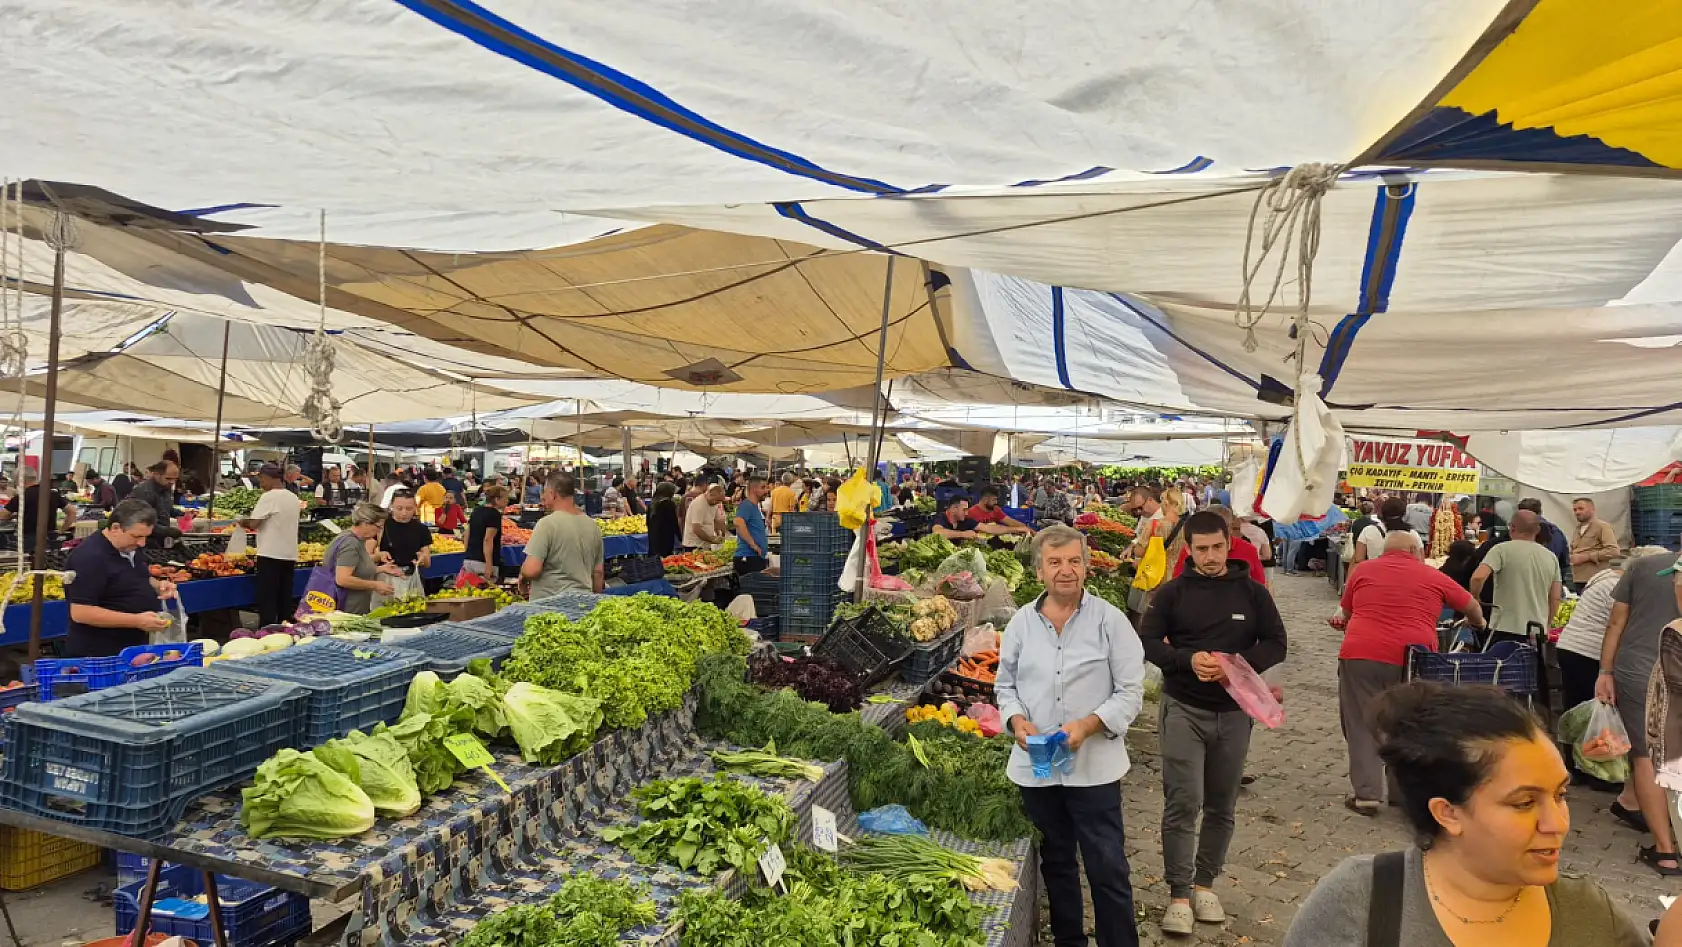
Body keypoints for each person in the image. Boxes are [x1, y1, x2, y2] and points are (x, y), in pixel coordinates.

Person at [1283, 682, 1648, 947]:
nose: (1557, 824)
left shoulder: (1589, 914)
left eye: (1561, 794)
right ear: (1448, 813)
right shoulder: (1363, 902)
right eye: (1523, 803)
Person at [997, 525, 1146, 947]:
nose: (1066, 571)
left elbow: (1130, 691)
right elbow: (1004, 686)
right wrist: (1015, 721)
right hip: (1038, 768)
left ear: (1086, 567)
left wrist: (1089, 724)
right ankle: (1069, 940)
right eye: (1055, 562)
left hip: (1094, 769)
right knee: (1057, 863)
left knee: (1107, 867)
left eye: (1074, 561)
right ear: (1040, 570)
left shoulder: (1109, 622)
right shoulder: (1023, 624)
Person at [1139, 511, 1287, 935]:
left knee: (1222, 804)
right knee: (1184, 801)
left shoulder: (1254, 594)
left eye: (1217, 547)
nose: (1209, 556)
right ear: (1188, 549)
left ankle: (1206, 883)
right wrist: (1187, 660)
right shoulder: (1171, 594)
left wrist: (1235, 667)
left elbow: (1276, 642)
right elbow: (1147, 640)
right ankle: (1179, 895)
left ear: (1229, 544)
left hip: (1235, 713)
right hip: (1183, 707)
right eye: (1201, 549)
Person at [1336, 530, 1486, 814]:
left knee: (1361, 722)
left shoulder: (1364, 569)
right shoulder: (1432, 575)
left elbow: (1346, 611)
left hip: (1361, 654)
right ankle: (1402, 793)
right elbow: (1471, 606)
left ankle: (1367, 795)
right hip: (1413, 657)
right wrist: (1477, 623)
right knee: (1406, 723)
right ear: (1417, 551)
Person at [1596, 545, 1682, 876]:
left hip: (1641, 669)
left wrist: (1605, 671)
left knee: (1646, 755)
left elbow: (1616, 622)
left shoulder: (1643, 566)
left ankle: (1665, 851)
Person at [63, 499, 180, 657]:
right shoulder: (89, 558)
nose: (142, 543)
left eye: (146, 537)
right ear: (116, 528)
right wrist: (137, 620)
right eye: (137, 536)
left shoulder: (128, 547)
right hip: (101, 655)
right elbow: (81, 612)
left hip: (130, 649)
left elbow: (136, 576)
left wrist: (158, 585)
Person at [1555, 562, 1623, 791]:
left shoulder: (1602, 578)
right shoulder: (1618, 586)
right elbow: (1619, 623)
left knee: (1576, 708)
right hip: (1589, 651)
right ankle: (1593, 769)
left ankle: (1573, 766)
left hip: (1570, 646)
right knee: (1591, 713)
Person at [1471, 510, 1562, 646]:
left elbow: (1478, 577)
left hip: (1503, 627)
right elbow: (1555, 597)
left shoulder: (1501, 550)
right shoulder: (1551, 557)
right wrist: (1547, 623)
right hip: (1536, 630)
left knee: (1501, 666)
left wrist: (1475, 598)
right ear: (1537, 530)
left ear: (1512, 527)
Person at [519, 473, 605, 598]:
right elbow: (598, 572)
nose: (542, 497)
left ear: (553, 494)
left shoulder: (547, 524)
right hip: (583, 602)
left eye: (545, 492)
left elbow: (532, 570)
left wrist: (523, 574)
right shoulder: (593, 526)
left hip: (549, 606)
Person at [240, 464, 302, 627]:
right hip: (289, 554)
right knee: (284, 595)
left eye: (262, 479)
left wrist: (242, 521)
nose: (260, 483)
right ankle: (285, 627)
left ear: (271, 478)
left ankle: (267, 629)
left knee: (267, 597)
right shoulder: (293, 497)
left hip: (270, 553)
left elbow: (254, 524)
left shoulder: (269, 497)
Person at [327, 503, 401, 615]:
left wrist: (381, 569)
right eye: (379, 527)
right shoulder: (350, 544)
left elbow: (357, 567)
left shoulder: (356, 540)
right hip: (347, 612)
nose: (380, 531)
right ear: (366, 523)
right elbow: (342, 579)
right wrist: (375, 585)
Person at [1171, 505, 1266, 587]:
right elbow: (1177, 581)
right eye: (1203, 549)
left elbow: (1259, 583)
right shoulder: (1191, 549)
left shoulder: (1248, 549)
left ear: (1230, 527)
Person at [0, 467, 76, 552]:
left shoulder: (23, 497)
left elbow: (3, 515)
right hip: (50, 538)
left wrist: (12, 516)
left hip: (29, 540)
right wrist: (62, 531)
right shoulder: (52, 494)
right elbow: (72, 511)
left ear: (20, 480)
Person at [376, 491, 433, 601]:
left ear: (415, 507)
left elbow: (427, 562)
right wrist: (379, 556)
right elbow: (367, 558)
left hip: (412, 579)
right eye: (399, 508)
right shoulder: (380, 526)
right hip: (386, 581)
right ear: (391, 506)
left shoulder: (421, 529)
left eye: (409, 509)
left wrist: (422, 558)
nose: (404, 513)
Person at [1516, 497, 1572, 586]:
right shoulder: (1556, 531)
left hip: (1528, 582)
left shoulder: (1521, 531)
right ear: (1540, 512)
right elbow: (1564, 561)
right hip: (1553, 580)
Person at [1567, 497, 1619, 589]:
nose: (1577, 512)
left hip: (1596, 579)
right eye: (1575, 510)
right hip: (1578, 579)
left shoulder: (1602, 527)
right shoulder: (1577, 530)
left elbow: (1613, 551)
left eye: (1581, 509)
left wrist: (1587, 557)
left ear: (1592, 509)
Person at [127, 461, 180, 546]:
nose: (172, 482)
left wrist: (180, 514)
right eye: (168, 478)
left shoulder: (166, 487)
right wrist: (166, 531)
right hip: (145, 541)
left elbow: (165, 508)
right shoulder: (144, 491)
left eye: (175, 479)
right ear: (156, 474)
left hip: (160, 539)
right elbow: (140, 520)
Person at [1351, 497, 1415, 565]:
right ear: (1404, 514)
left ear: (1382, 512)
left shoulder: (1368, 530)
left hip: (1373, 572)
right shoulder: (1412, 534)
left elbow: (1358, 558)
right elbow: (1420, 562)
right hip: (1404, 574)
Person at [464, 484, 509, 578]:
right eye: (505, 498)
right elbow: (488, 540)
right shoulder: (494, 515)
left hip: (469, 560)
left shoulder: (476, 511)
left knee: (470, 591)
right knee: (487, 591)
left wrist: (467, 554)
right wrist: (489, 564)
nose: (507, 501)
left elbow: (467, 534)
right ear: (497, 499)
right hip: (483, 563)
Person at [732, 475, 770, 576]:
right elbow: (738, 522)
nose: (766, 490)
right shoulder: (746, 505)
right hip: (748, 557)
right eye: (763, 487)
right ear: (753, 489)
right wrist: (753, 545)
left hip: (754, 557)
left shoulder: (754, 507)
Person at [682, 482, 728, 550]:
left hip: (705, 544)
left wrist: (722, 535)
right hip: (694, 545)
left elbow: (718, 520)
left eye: (720, 501)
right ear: (710, 494)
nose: (718, 502)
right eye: (717, 500)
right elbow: (696, 529)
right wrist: (711, 540)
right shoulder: (699, 504)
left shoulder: (714, 503)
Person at [647, 482, 681, 558]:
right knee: (666, 561)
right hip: (665, 538)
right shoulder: (668, 504)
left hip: (653, 538)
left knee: (654, 561)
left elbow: (648, 523)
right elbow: (674, 523)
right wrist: (680, 537)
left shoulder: (652, 504)